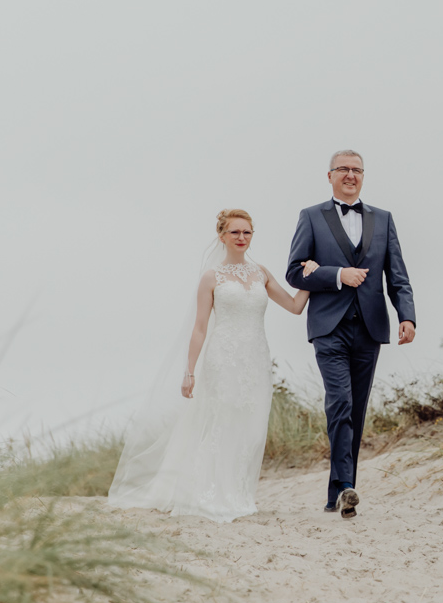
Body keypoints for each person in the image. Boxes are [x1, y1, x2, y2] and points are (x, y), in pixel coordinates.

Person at [108, 209, 317, 523]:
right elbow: (200, 327)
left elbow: (294, 306)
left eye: (247, 232)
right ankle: (209, 493)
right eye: (235, 232)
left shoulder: (261, 273)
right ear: (222, 236)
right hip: (222, 358)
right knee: (221, 422)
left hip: (256, 360)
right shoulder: (212, 277)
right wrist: (189, 371)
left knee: (251, 427)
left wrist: (309, 279)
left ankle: (239, 492)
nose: (241, 238)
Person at [286, 150, 416, 519]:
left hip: (371, 326)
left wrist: (407, 317)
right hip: (329, 326)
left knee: (356, 410)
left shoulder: (384, 219)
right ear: (329, 176)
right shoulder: (311, 217)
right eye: (343, 169)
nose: (350, 175)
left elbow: (398, 276)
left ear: (363, 176)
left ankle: (338, 493)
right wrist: (337, 274)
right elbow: (294, 273)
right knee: (340, 402)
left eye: (356, 170)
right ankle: (345, 486)